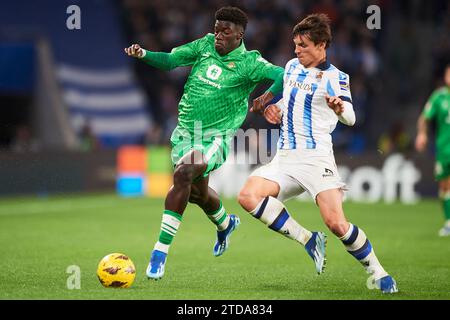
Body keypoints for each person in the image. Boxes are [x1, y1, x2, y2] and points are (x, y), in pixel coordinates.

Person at [238, 13, 398, 294]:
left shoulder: (336, 78)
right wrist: (274, 109)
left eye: (303, 45)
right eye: (296, 44)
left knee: (336, 223)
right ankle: (309, 240)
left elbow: (351, 117)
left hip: (316, 160)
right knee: (248, 195)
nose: (296, 50)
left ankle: (379, 272)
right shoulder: (290, 67)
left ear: (321, 45)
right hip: (285, 158)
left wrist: (339, 109)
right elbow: (289, 100)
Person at [124, 6, 284, 280]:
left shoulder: (250, 63)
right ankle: (225, 223)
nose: (218, 35)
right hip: (186, 131)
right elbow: (171, 60)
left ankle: (159, 253)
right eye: (217, 29)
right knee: (197, 194)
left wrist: (266, 97)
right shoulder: (204, 45)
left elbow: (282, 75)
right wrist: (144, 54)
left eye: (226, 31)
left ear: (240, 35)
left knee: (183, 173)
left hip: (216, 137)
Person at [415, 64, 450, 236]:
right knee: (444, 188)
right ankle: (448, 221)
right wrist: (422, 135)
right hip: (444, 149)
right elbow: (424, 118)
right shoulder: (439, 96)